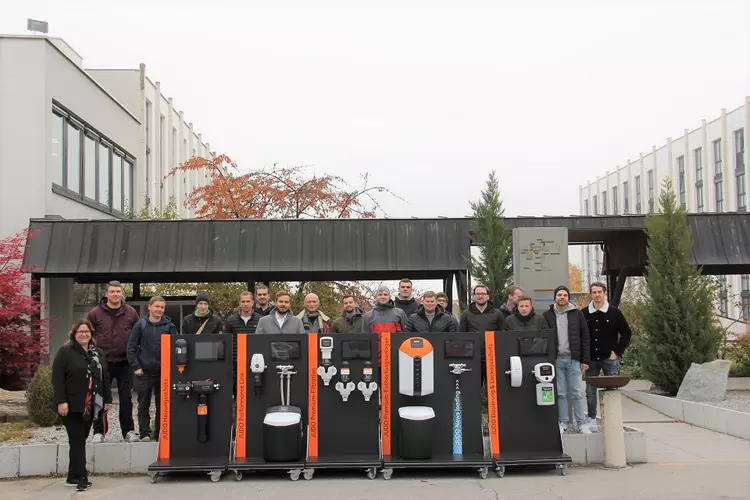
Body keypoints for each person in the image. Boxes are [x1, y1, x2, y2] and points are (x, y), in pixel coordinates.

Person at [52, 319, 112, 491]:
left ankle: (72, 476)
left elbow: (104, 378)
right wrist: (61, 401)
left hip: (90, 405)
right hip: (70, 406)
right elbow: (57, 380)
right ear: (74, 334)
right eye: (80, 332)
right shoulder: (65, 352)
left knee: (79, 441)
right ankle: (81, 477)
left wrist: (107, 399)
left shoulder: (98, 353)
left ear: (91, 334)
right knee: (77, 440)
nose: (84, 334)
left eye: (87, 331)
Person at [85, 280, 139, 443]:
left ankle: (128, 431)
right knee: (99, 397)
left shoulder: (131, 312)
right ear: (106, 294)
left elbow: (137, 335)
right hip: (103, 362)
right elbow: (87, 334)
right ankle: (98, 432)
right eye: (112, 292)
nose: (115, 294)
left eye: (118, 291)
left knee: (126, 398)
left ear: (121, 293)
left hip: (124, 362)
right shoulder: (95, 313)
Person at [127, 296, 178, 441]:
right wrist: (136, 366)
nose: (159, 310)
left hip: (164, 372)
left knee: (163, 405)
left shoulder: (169, 327)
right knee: (143, 404)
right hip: (144, 372)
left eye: (162, 307)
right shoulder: (140, 325)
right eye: (157, 306)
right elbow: (131, 347)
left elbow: (177, 348)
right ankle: (144, 433)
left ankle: (160, 433)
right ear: (149, 307)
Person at [541, 285, 591, 434]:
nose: (562, 298)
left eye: (564, 295)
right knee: (561, 393)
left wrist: (585, 360)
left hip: (573, 359)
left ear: (568, 298)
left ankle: (582, 423)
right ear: (555, 297)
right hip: (556, 360)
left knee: (576, 392)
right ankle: (563, 422)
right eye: (559, 295)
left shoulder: (577, 314)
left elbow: (585, 337)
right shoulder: (547, 315)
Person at [581, 282, 632, 422]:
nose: (597, 295)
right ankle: (591, 418)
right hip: (590, 359)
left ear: (605, 293)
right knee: (590, 391)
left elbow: (626, 332)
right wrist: (583, 357)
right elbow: (579, 336)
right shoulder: (583, 313)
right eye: (594, 292)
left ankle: (613, 419)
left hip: (610, 358)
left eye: (599, 292)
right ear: (590, 294)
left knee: (612, 390)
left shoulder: (614, 312)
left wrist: (617, 351)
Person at [223, 292, 262, 395]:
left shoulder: (261, 320)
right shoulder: (230, 321)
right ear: (239, 303)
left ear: (253, 302)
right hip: (236, 361)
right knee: (237, 387)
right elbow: (226, 341)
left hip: (255, 359)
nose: (245, 304)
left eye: (248, 301)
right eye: (243, 301)